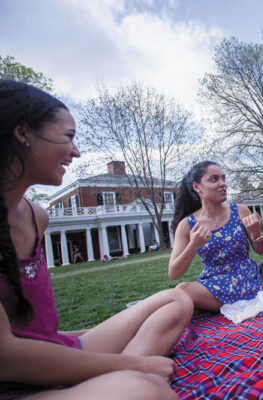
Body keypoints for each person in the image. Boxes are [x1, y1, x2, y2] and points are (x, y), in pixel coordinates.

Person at [0, 80, 194, 399]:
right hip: (14, 380)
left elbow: (34, 331)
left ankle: (112, 374)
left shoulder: (37, 216)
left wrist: (87, 340)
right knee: (146, 390)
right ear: (23, 134)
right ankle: (126, 374)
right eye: (68, 137)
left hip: (54, 349)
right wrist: (132, 364)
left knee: (177, 299)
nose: (76, 151)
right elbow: (5, 357)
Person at [168, 161, 263, 312]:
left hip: (244, 278)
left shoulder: (240, 210)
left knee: (181, 291)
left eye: (223, 179)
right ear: (197, 187)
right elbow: (174, 273)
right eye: (214, 179)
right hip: (212, 281)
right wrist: (193, 246)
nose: (223, 184)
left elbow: (260, 250)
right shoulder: (187, 225)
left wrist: (255, 232)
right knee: (177, 298)